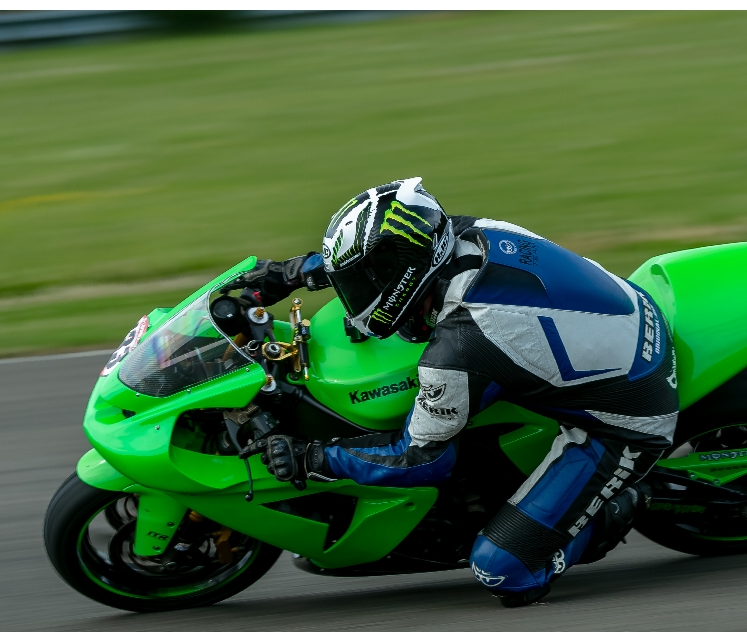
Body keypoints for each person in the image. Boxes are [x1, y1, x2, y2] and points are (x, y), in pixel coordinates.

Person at [245, 178, 679, 607]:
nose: (354, 295)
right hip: (626, 318)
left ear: (401, 274)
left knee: (503, 570)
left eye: (363, 282)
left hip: (627, 417)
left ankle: (620, 504)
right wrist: (292, 273)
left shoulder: (463, 343)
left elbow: (420, 459)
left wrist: (314, 458)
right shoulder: (461, 234)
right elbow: (392, 254)